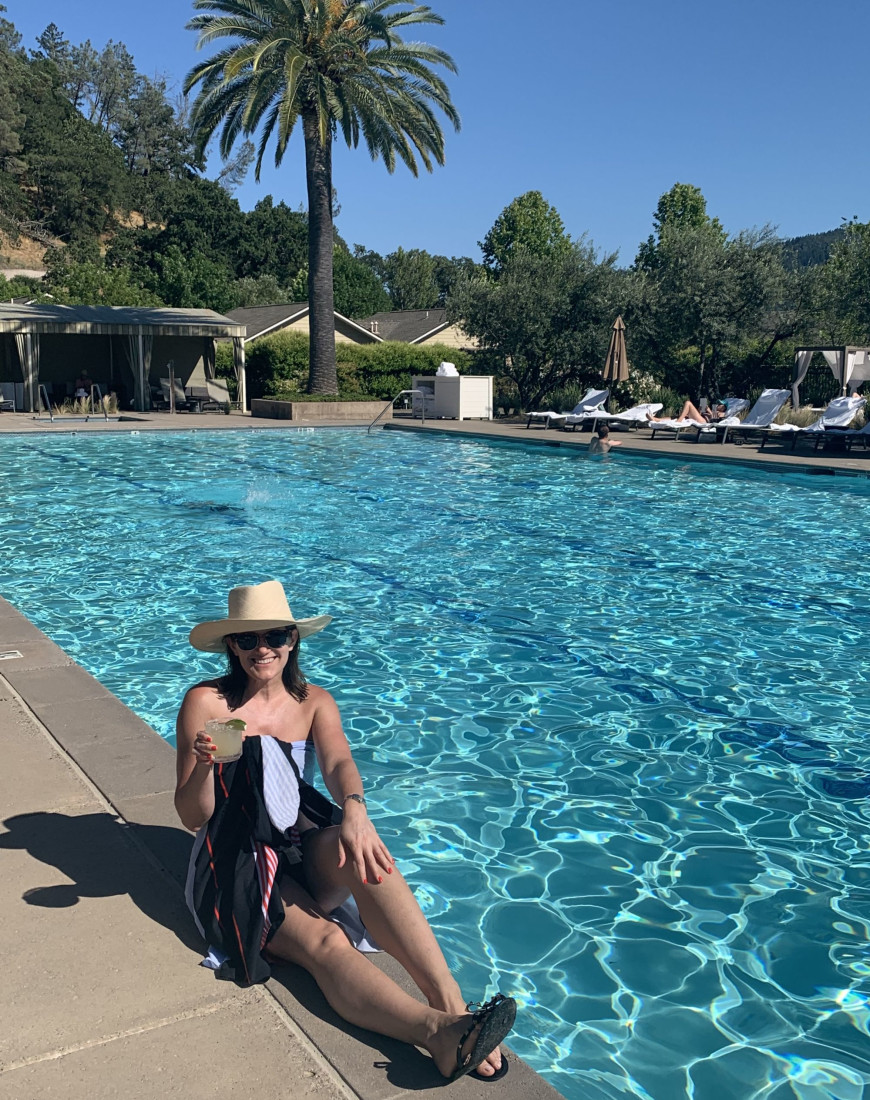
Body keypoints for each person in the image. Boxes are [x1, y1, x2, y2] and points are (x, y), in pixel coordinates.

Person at [175, 580, 516, 1083]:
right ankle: (436, 1033)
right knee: (324, 941)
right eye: (247, 640)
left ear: (293, 640)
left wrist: (355, 810)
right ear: (232, 646)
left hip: (295, 839)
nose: (262, 649)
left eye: (274, 636)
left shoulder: (314, 701)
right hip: (236, 856)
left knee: (368, 854)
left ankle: (447, 998)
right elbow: (192, 816)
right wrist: (205, 767)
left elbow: (338, 761)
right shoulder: (207, 703)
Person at [647, 399, 728, 425]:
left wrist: (709, 411)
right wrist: (700, 409)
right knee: (676, 416)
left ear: (724, 407)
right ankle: (655, 419)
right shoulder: (714, 409)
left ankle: (678, 421)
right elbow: (699, 414)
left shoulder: (723, 413)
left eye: (720, 404)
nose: (718, 404)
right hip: (700, 418)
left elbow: (715, 419)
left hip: (704, 422)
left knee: (688, 403)